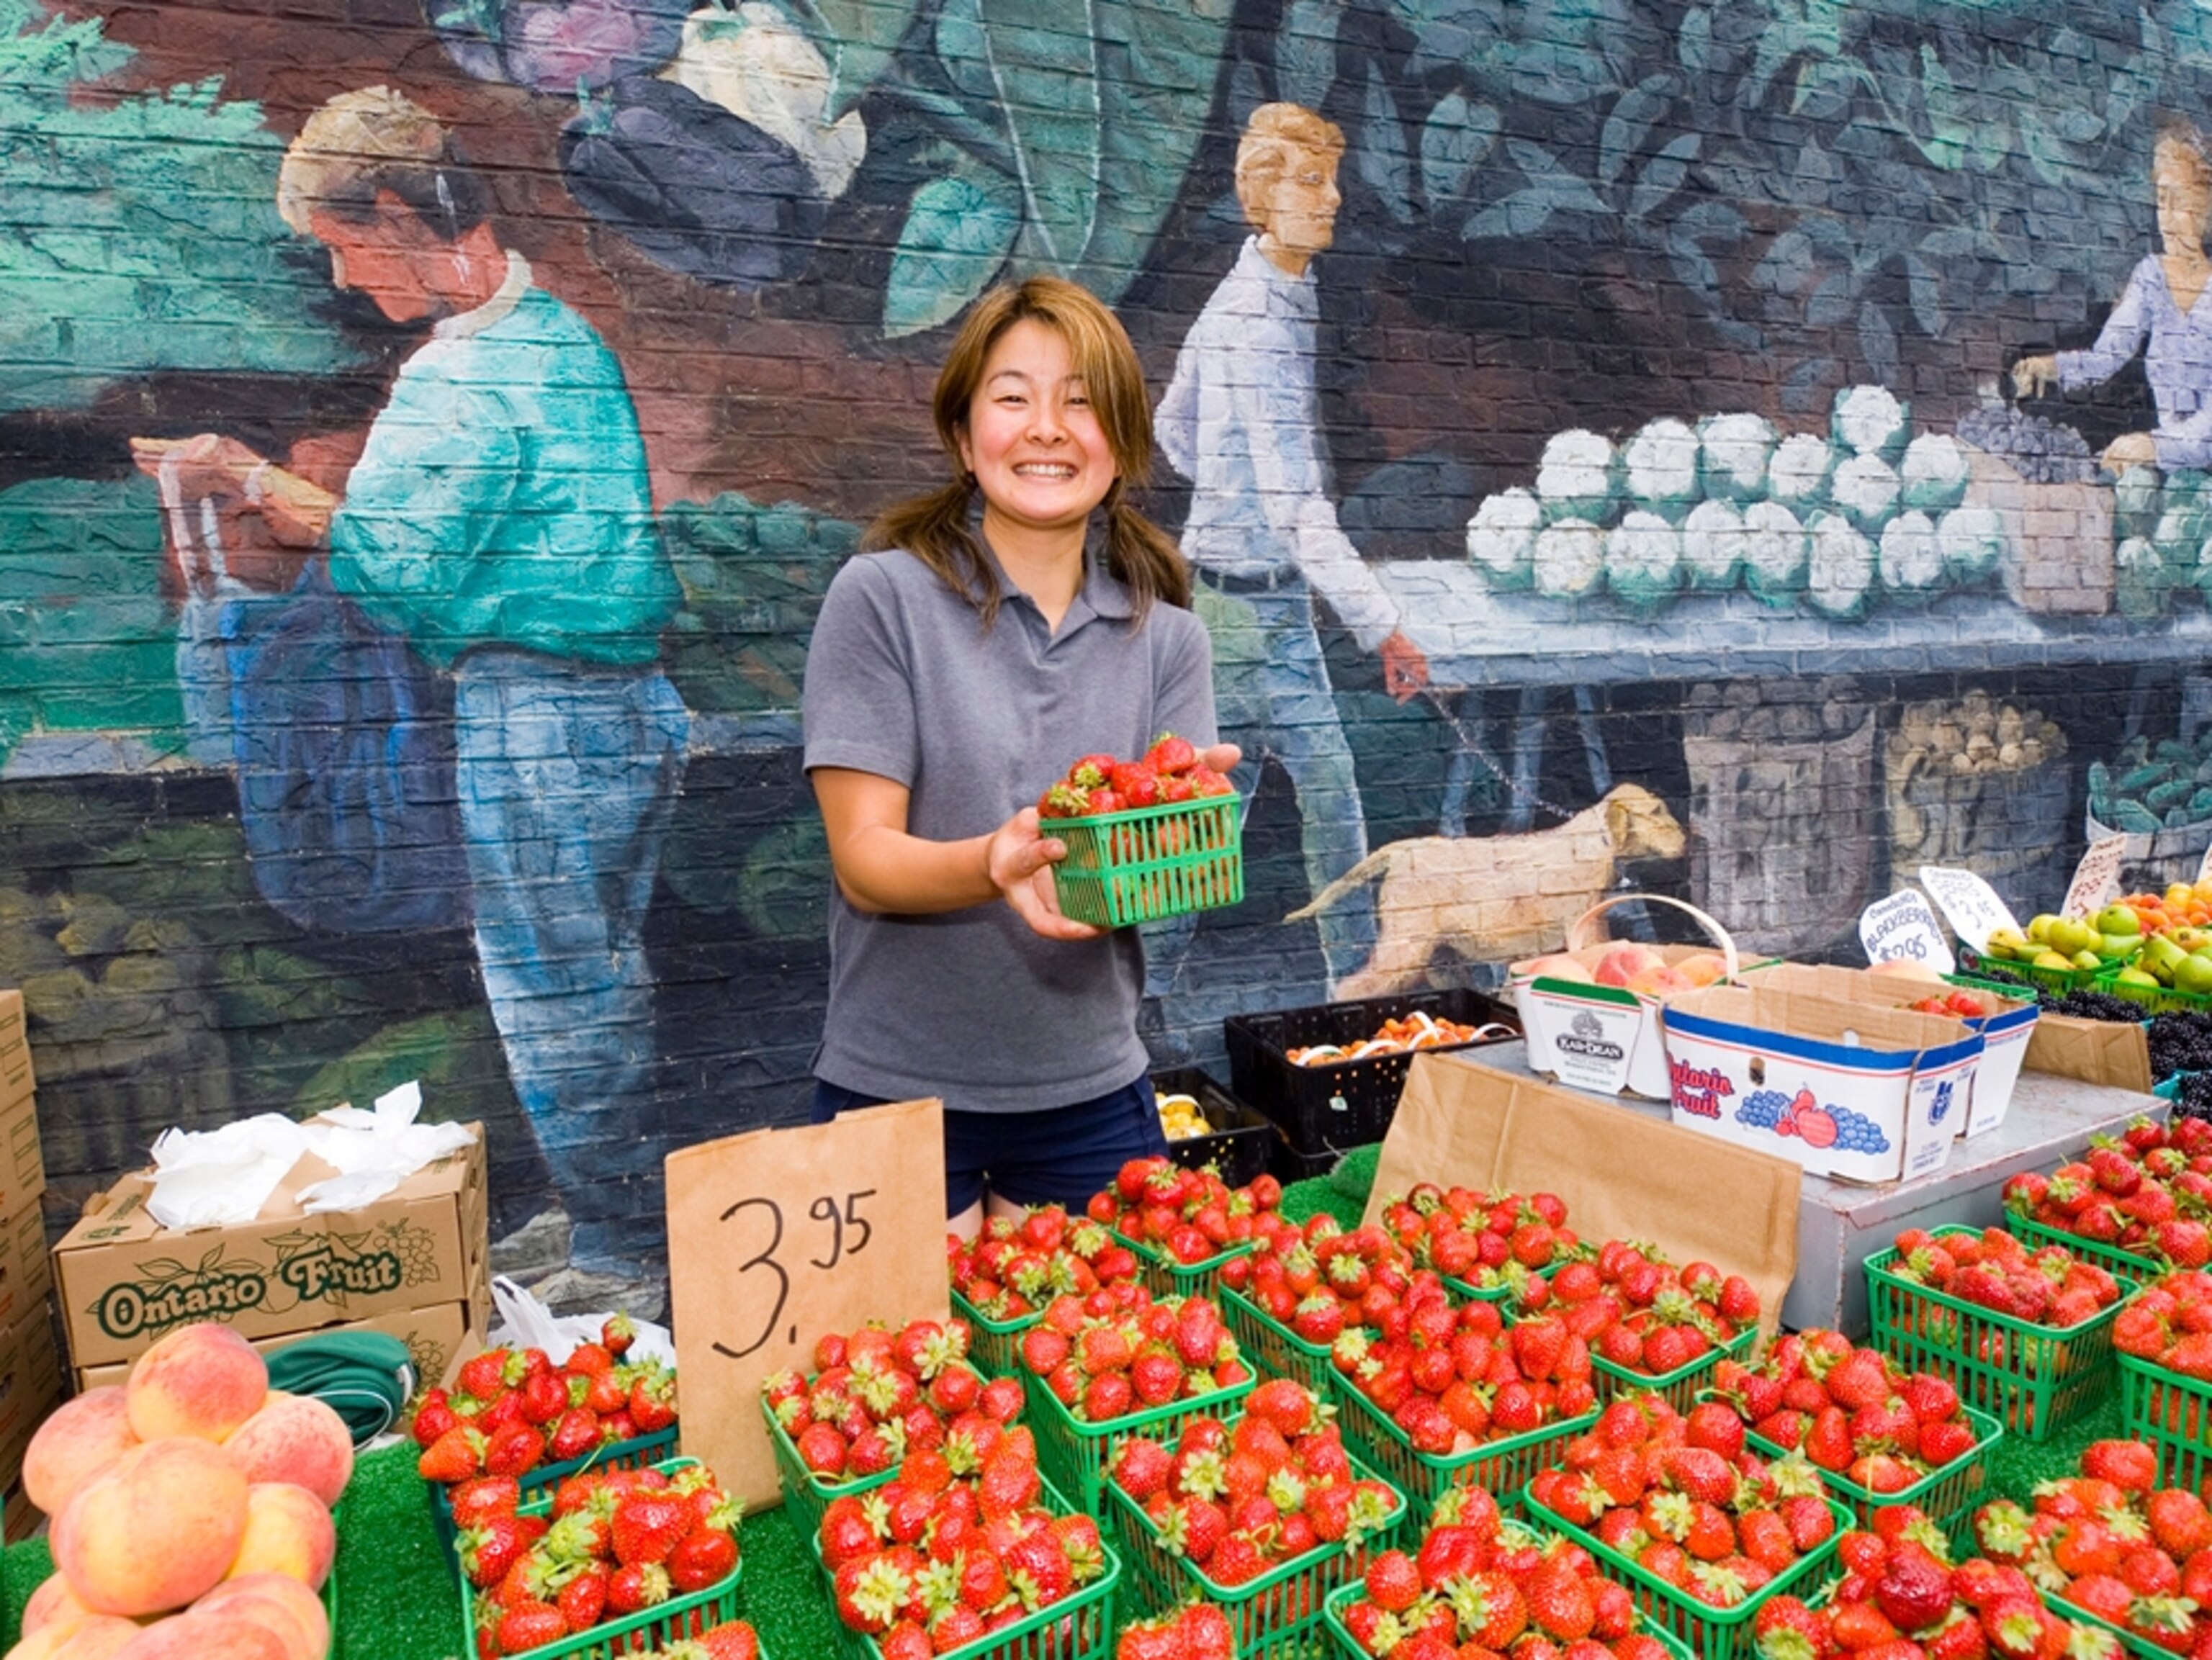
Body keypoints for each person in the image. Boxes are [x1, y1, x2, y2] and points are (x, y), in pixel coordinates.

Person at [130, 87, 686, 1277]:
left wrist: (261, 486)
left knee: (554, 995)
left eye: (342, 247)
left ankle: (620, 1248)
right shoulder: (560, 339)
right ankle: (612, 1216)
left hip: (535, 715)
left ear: (393, 211)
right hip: (623, 712)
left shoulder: (458, 377)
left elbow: (393, 569)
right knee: (594, 978)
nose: (341, 282)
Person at [801, 276, 1239, 1235]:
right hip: (895, 1092)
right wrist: (991, 863)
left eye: (1081, 402)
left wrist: (1178, 828)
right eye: (1013, 397)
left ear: (1122, 444)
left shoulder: (1168, 640)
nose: (1048, 427)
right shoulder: (881, 600)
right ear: (965, 438)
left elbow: (1158, 885)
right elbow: (865, 861)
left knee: (1095, 1379)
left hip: (1090, 1090)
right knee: (912, 1375)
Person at [1148, 102, 1429, 1001]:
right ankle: (1351, 985)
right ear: (1262, 199)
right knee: (1295, 809)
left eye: (1332, 177)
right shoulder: (1260, 324)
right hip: (1250, 612)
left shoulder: (1261, 291)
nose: (1334, 198)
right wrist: (1383, 625)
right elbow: (1297, 502)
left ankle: (1154, 991)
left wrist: (1222, 490)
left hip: (1232, 596)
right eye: (1310, 182)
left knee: (1227, 815)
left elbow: (1173, 427)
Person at [2014, 125, 2212, 473]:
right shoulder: (2151, 277)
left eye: (2179, 203)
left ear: (2206, 207)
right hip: (2174, 475)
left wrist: (2150, 445)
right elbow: (2106, 356)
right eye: (2161, 201)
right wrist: (2051, 368)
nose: (2165, 218)